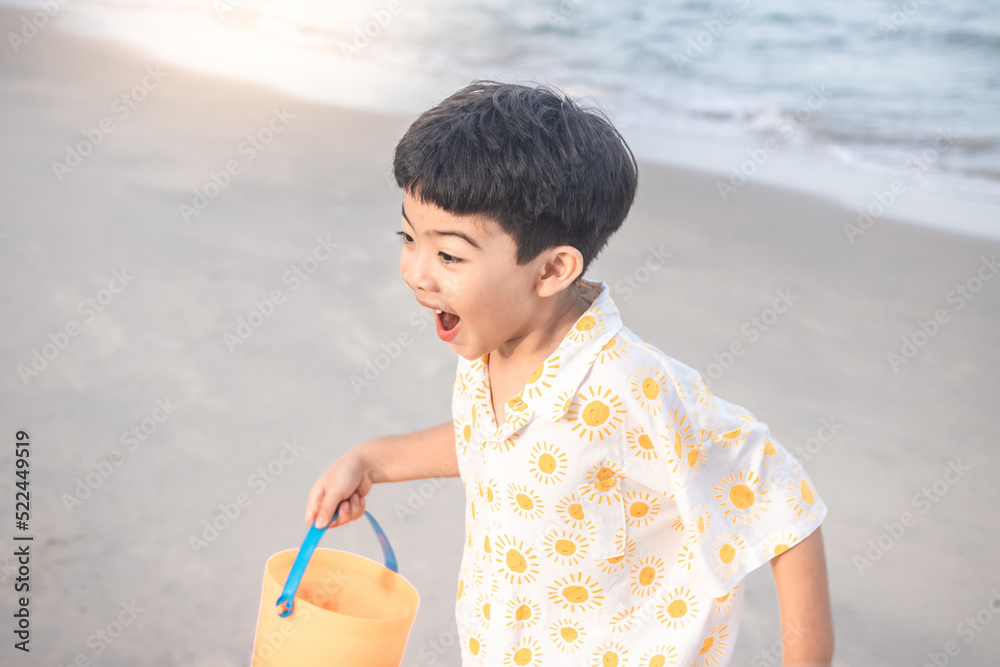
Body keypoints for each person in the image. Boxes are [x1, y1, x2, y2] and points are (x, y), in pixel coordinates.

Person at [305, 81, 833, 667]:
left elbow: (782, 498)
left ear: (554, 268)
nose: (416, 273)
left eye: (449, 255)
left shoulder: (628, 385)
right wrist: (375, 459)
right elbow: (506, 447)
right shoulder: (493, 347)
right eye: (408, 238)